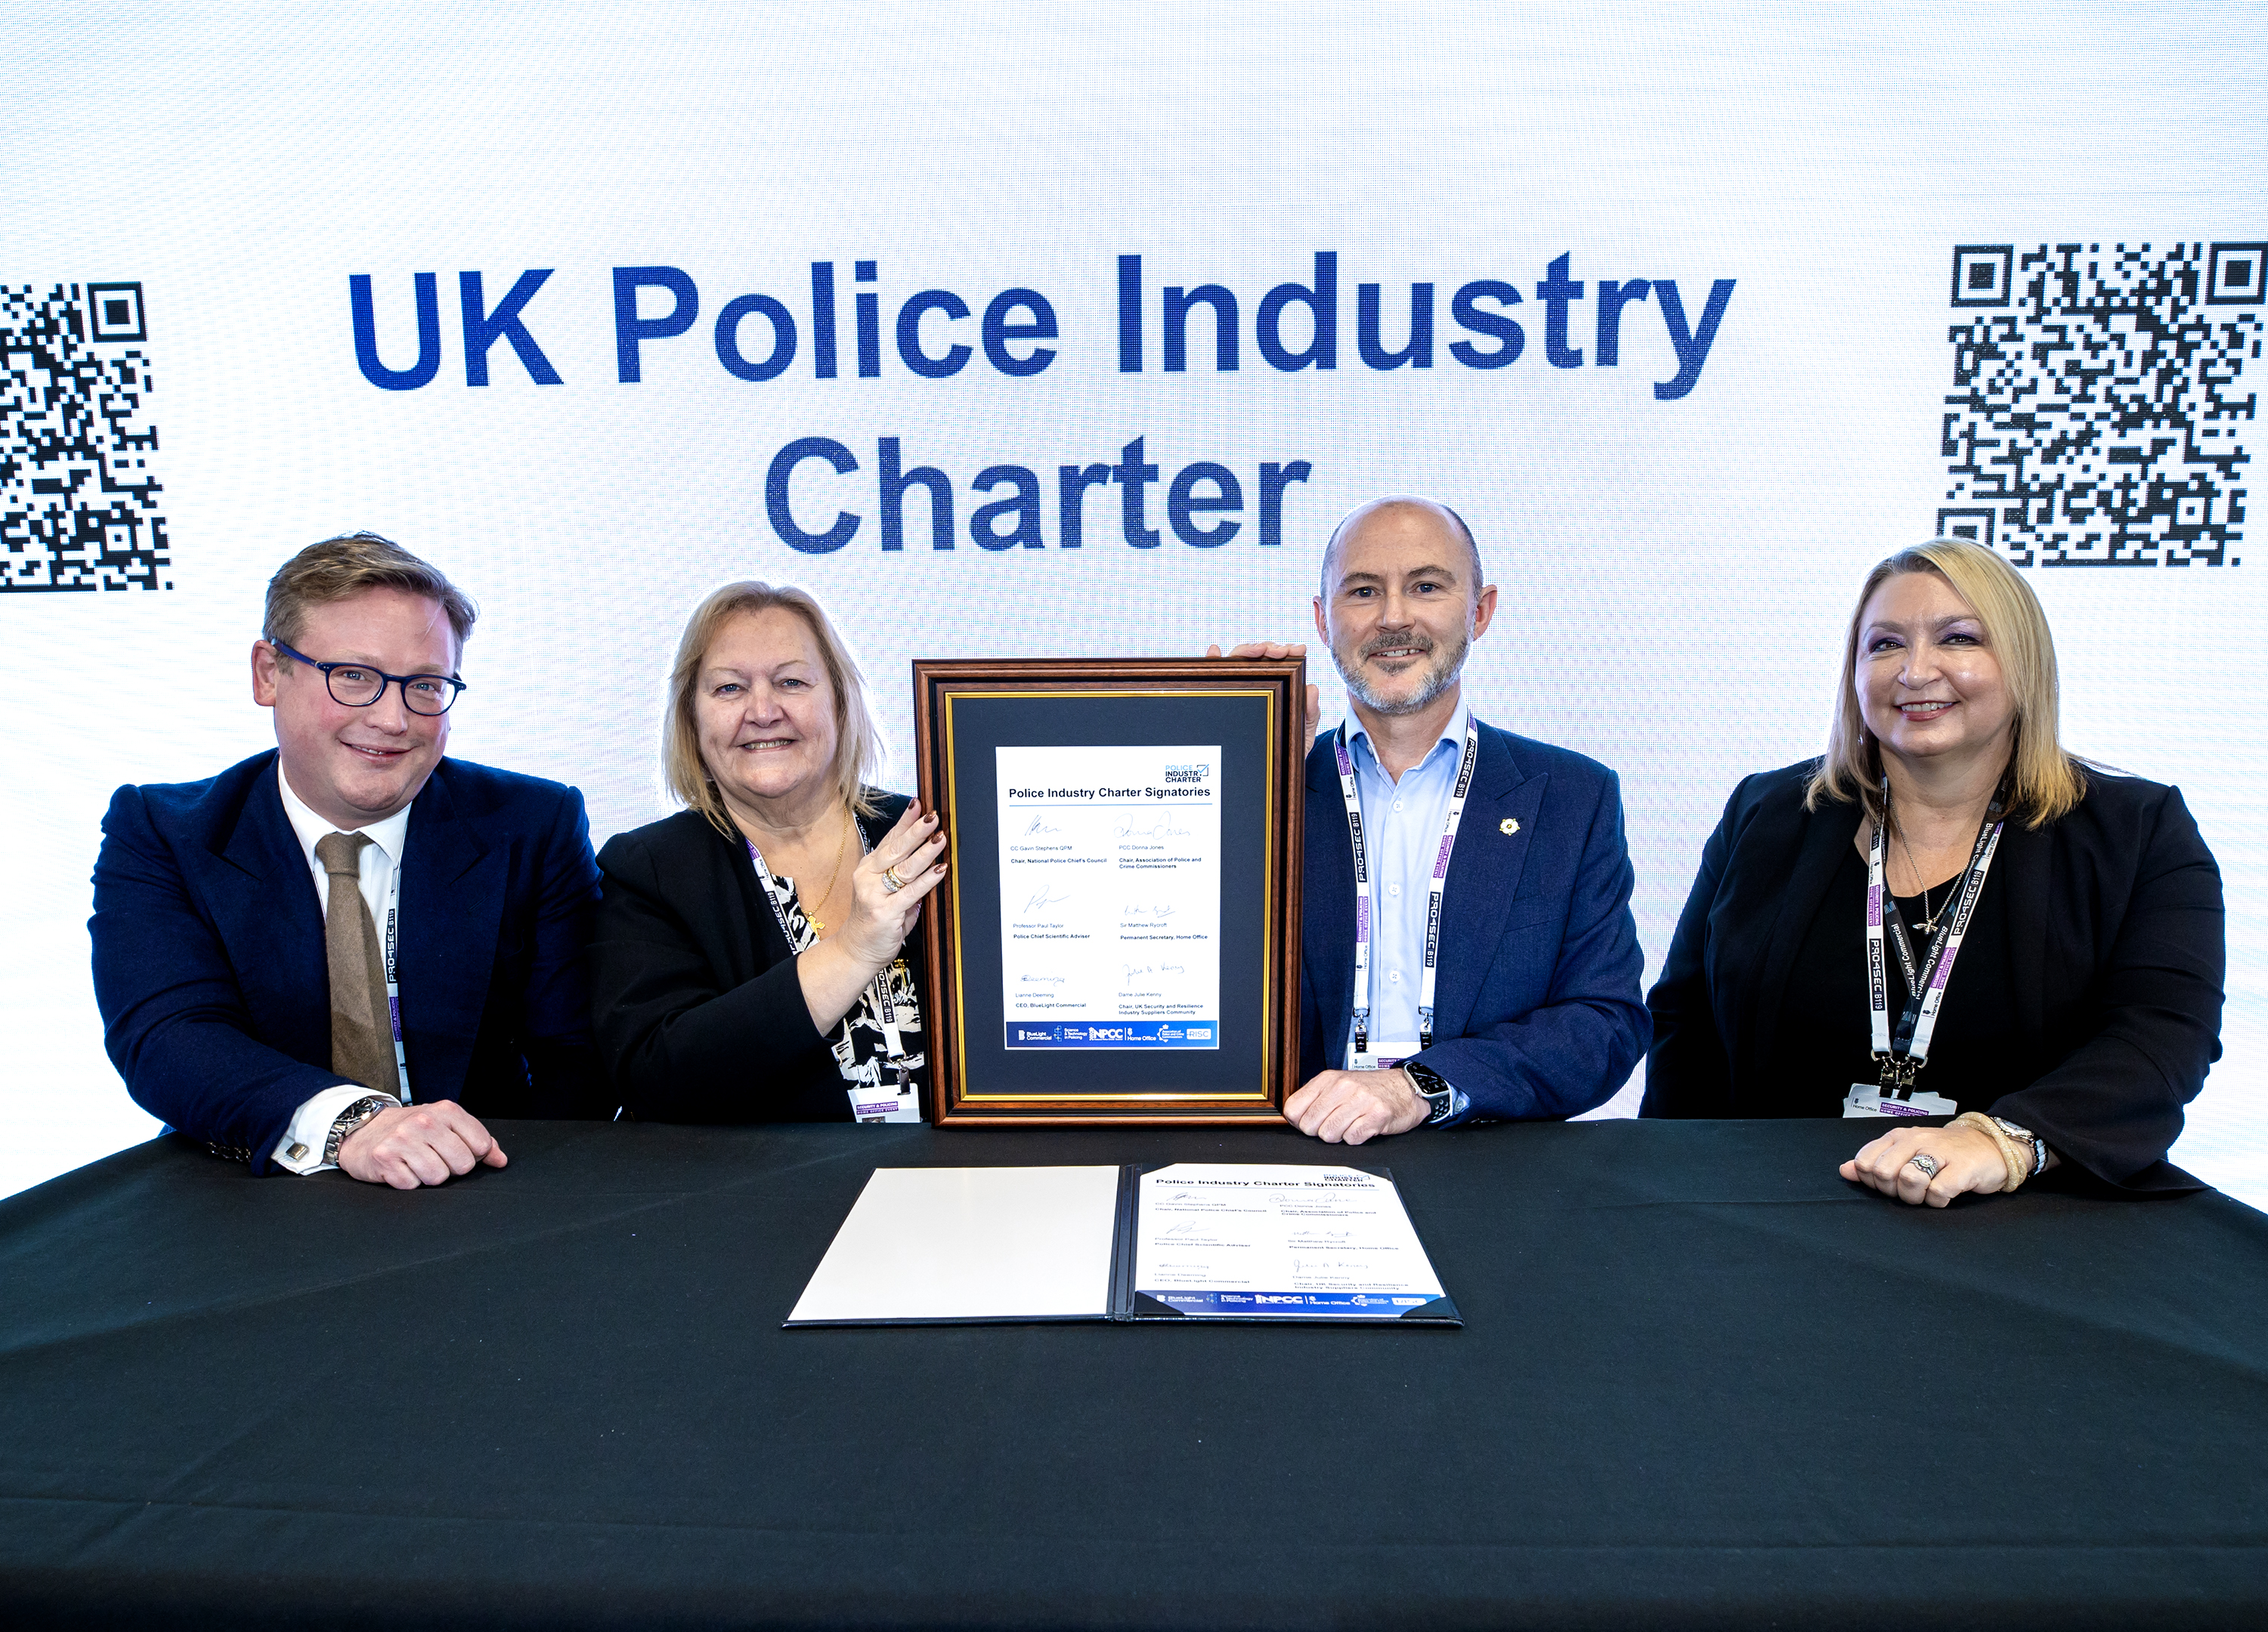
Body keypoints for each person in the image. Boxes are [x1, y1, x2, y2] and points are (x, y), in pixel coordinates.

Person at [1642, 538, 2224, 1202]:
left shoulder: (2138, 831)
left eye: (1958, 639)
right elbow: (1685, 1021)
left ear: (2023, 663)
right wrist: (1667, 1189)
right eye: (1884, 645)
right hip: (1769, 1213)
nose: (1915, 671)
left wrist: (2003, 1142)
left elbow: (2163, 1036)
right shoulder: (1767, 812)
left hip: (2028, 1222)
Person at [90, 532, 608, 1188]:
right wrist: (353, 1125)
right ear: (268, 674)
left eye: (425, 685)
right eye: (355, 677)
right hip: (254, 1194)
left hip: (484, 1189)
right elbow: (168, 1038)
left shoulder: (533, 823)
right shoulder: (164, 832)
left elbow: (577, 1062)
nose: (394, 718)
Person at [1213, 496, 1648, 1143]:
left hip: (1486, 1166)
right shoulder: (1270, 779)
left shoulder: (1571, 798)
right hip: (1281, 1152)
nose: (1393, 617)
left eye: (1425, 586)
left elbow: (1603, 1024)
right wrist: (1234, 773)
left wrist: (1418, 1087)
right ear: (1322, 620)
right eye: (1362, 591)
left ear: (1480, 611)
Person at [587, 583, 947, 1122]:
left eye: (791, 682)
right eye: (729, 689)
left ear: (840, 701)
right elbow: (657, 1079)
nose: (762, 711)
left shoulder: (926, 834)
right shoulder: (649, 870)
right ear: (692, 718)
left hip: (957, 1184)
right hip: (771, 1197)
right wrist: (851, 950)